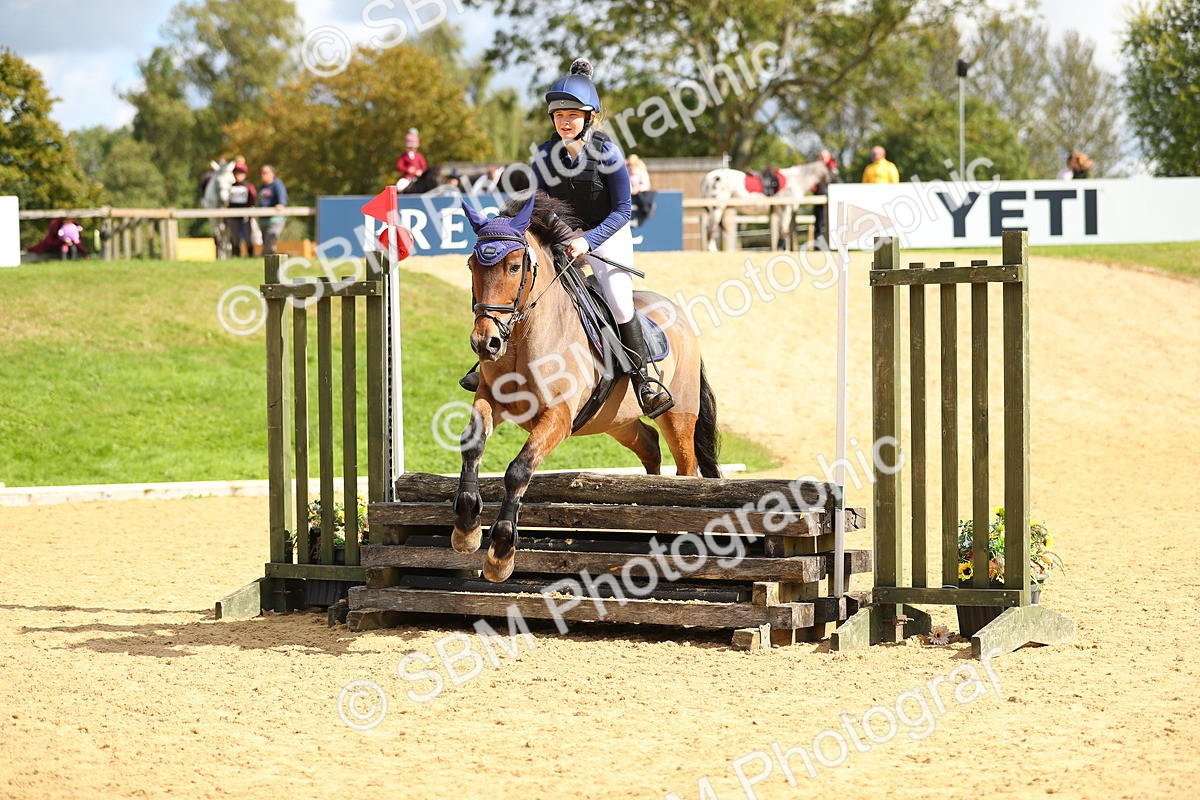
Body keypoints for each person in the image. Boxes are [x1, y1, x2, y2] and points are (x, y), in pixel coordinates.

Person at [535, 59, 671, 417]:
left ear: (589, 118)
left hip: (606, 233)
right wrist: (563, 236)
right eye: (558, 115)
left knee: (619, 300)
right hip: (563, 235)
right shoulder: (544, 155)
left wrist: (587, 241)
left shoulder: (608, 154)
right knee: (524, 281)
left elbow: (623, 211)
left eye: (573, 115)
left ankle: (645, 380)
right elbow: (539, 202)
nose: (564, 121)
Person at [257, 164, 288, 256]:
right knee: (266, 242)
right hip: (264, 220)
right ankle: (268, 260)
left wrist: (280, 205)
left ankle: (266, 261)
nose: (263, 174)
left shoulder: (277, 184)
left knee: (270, 241)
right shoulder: (262, 187)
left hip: (275, 219)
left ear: (273, 174)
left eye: (266, 172)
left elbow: (282, 202)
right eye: (261, 173)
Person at [227, 164, 257, 257]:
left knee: (248, 237)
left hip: (245, 215)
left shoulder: (249, 187)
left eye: (241, 173)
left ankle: (251, 255)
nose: (238, 175)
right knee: (235, 237)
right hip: (233, 215)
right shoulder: (230, 187)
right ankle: (236, 255)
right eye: (236, 173)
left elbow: (252, 200)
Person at [626, 154, 655, 226]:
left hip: (640, 194)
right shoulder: (627, 172)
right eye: (629, 164)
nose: (630, 166)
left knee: (643, 197)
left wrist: (637, 189)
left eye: (632, 164)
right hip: (630, 193)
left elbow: (646, 185)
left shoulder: (642, 172)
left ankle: (647, 210)